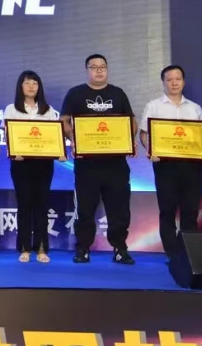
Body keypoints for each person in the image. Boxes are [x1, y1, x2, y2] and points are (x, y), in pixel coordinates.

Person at [60, 54, 137, 265]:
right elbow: (64, 121)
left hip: (116, 164)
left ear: (107, 69)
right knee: (84, 209)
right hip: (87, 164)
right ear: (87, 70)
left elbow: (131, 121)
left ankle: (120, 248)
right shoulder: (75, 93)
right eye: (94, 67)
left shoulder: (118, 93)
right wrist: (73, 139)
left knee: (119, 208)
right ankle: (83, 248)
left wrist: (128, 141)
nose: (99, 70)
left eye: (102, 66)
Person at [139, 65, 202, 261]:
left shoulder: (194, 108)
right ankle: (172, 255)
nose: (174, 83)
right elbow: (144, 134)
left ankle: (188, 254)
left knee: (190, 211)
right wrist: (150, 150)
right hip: (165, 166)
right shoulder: (153, 106)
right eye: (169, 79)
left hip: (192, 166)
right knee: (167, 211)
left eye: (178, 79)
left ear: (183, 81)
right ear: (163, 82)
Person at [3, 71, 63, 263]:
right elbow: (8, 134)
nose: (31, 86)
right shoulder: (11, 109)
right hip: (21, 164)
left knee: (41, 205)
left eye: (35, 83)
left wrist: (59, 151)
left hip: (44, 164)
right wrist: (15, 150)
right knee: (24, 205)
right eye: (27, 83)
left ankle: (41, 248)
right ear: (20, 86)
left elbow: (54, 136)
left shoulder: (48, 110)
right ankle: (25, 248)